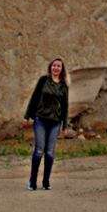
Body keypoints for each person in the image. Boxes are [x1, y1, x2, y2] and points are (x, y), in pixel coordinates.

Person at [23, 57, 69, 191]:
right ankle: (32, 181)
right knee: (38, 150)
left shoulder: (63, 86)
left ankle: (46, 181)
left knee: (49, 153)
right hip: (41, 120)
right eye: (54, 66)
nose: (56, 68)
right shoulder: (43, 80)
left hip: (55, 122)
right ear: (50, 67)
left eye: (59, 66)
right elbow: (35, 97)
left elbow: (65, 107)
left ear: (62, 69)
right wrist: (27, 116)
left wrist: (65, 125)